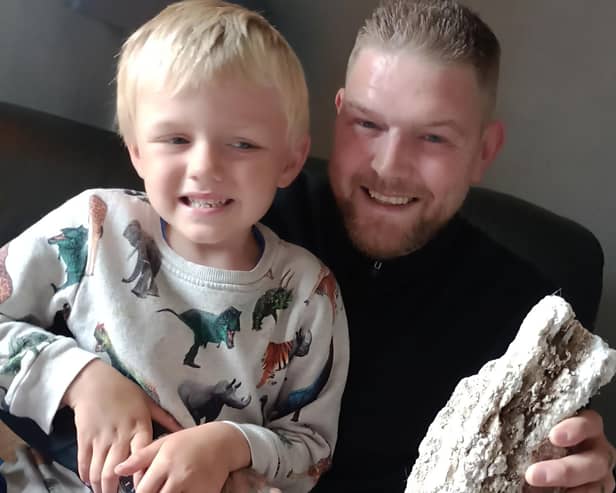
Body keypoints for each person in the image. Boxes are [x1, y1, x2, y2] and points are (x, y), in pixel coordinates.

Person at [256, 0, 615, 491]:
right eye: (368, 124)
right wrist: (109, 375)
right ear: (337, 114)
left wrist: (572, 478)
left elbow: (557, 461)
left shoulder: (524, 314)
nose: (389, 166)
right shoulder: (253, 217)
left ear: (483, 152)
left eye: (433, 138)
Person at [0, 2, 349, 493]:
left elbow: (311, 449)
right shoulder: (94, 223)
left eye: (243, 144)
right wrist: (80, 379)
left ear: (290, 161)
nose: (205, 166)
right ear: (137, 150)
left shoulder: (310, 293)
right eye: (176, 138)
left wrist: (232, 443)